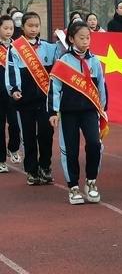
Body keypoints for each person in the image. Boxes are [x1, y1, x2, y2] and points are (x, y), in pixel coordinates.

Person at [48, 21, 107, 205]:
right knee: (70, 150)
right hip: (69, 113)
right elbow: (54, 89)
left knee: (94, 144)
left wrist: (103, 109)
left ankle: (91, 182)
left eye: (88, 37)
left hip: (90, 111)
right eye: (81, 38)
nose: (85, 41)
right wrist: (53, 111)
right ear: (71, 39)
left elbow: (101, 86)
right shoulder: (63, 62)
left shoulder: (95, 60)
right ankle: (73, 186)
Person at [6, 12, 58, 185]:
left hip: (45, 100)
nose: (34, 29)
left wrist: (63, 36)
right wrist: (14, 89)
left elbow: (64, 53)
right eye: (30, 26)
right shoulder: (16, 48)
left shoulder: (49, 48)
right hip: (24, 101)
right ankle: (31, 170)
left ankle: (45, 166)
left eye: (37, 26)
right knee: (28, 137)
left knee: (46, 134)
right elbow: (11, 70)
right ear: (23, 27)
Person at [0, 15, 22, 173]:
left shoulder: (16, 47)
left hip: (12, 93)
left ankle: (13, 148)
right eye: (5, 28)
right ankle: (1, 160)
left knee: (15, 125)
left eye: (11, 29)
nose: (9, 31)